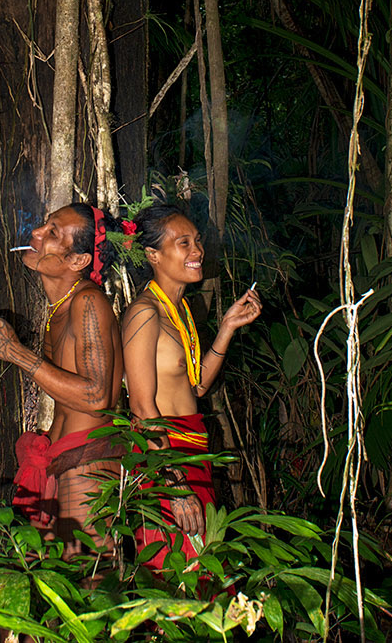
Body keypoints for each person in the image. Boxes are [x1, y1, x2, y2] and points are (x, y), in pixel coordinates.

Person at [0, 203, 126, 549]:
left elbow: (97, 397)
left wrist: (16, 353)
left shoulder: (88, 304)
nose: (36, 234)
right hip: (59, 459)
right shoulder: (60, 309)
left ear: (78, 261)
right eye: (44, 225)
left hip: (87, 463)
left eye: (53, 233)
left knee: (89, 583)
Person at [120, 203, 261, 567]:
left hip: (192, 452)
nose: (197, 251)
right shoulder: (145, 312)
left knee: (204, 571)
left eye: (197, 241)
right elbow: (140, 405)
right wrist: (174, 483)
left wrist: (227, 328)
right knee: (176, 573)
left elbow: (196, 388)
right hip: (166, 458)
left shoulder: (180, 311)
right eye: (184, 243)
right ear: (153, 254)